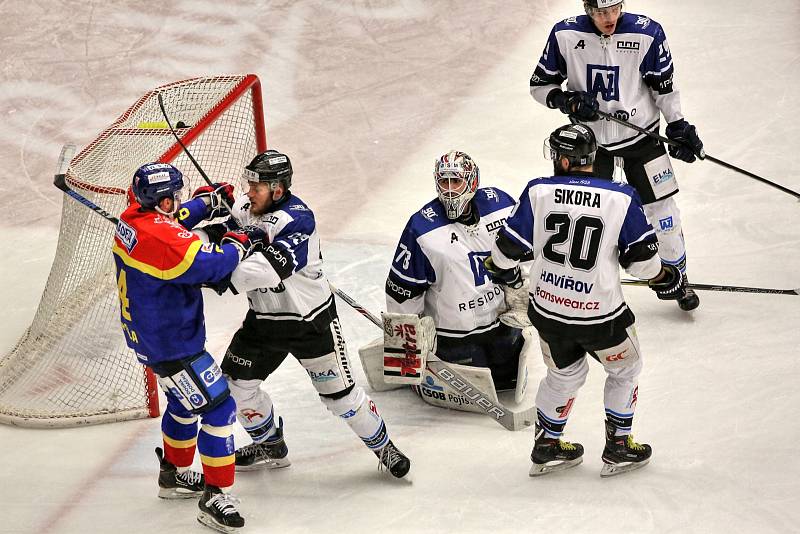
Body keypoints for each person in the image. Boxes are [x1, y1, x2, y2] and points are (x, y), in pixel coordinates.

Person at [485, 124, 685, 477]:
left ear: (563, 159)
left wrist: (501, 270)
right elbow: (643, 264)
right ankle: (619, 447)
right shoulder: (620, 196)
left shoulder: (539, 191)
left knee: (563, 374)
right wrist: (664, 278)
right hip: (600, 318)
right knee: (624, 369)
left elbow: (504, 254)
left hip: (547, 311)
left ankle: (547, 446)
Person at [203, 149, 411, 479]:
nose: (247, 193)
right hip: (263, 323)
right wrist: (183, 245)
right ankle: (269, 444)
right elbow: (217, 234)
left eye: (255, 187)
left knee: (340, 399)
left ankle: (383, 447)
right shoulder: (246, 208)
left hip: (309, 323)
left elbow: (263, 272)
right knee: (235, 388)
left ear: (278, 190)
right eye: (248, 185)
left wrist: (203, 272)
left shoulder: (299, 218)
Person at [113, 162, 264, 531]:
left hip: (148, 335)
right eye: (174, 196)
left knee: (183, 402)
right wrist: (238, 242)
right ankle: (215, 496)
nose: (178, 201)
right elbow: (211, 267)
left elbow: (171, 220)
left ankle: (174, 475)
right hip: (173, 343)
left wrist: (204, 205)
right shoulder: (161, 240)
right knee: (219, 407)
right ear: (161, 200)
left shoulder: (132, 217)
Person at [529, 0, 703, 311]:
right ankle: (588, 284)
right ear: (587, 9)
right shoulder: (565, 34)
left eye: (613, 9)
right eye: (600, 12)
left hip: (642, 137)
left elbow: (663, 88)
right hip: (590, 144)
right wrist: (565, 100)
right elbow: (540, 85)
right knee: (585, 217)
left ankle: (679, 276)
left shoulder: (646, 33)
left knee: (664, 216)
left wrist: (677, 124)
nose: (608, 18)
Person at [372, 150, 535, 413]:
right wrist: (408, 346)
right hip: (455, 338)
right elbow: (401, 290)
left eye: (455, 181)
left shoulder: (501, 204)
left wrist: (521, 291)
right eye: (444, 182)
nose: (448, 190)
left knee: (507, 381)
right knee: (477, 384)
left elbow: (524, 255)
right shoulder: (422, 228)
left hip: (501, 327)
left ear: (472, 182)